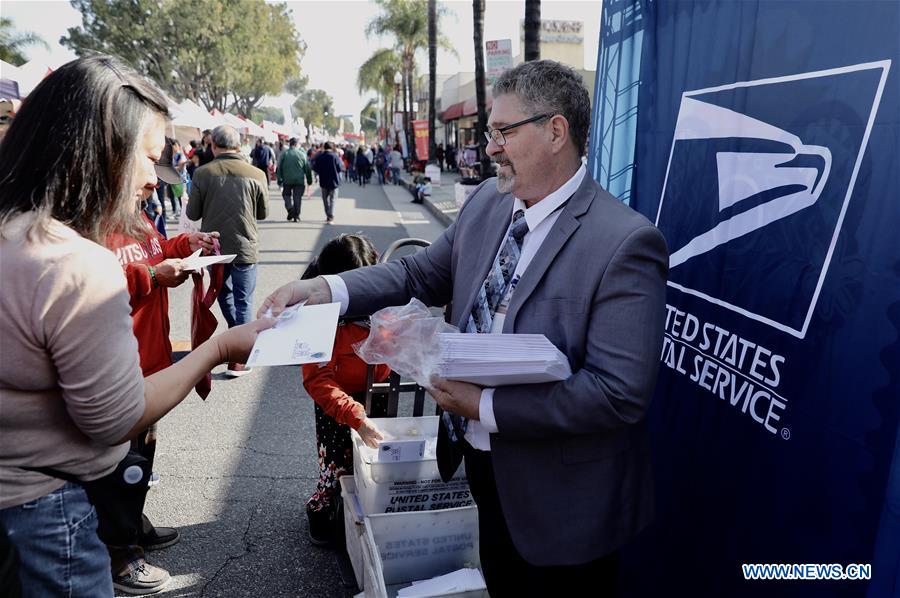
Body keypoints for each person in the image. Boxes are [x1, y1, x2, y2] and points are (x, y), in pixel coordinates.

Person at [260, 60, 668, 596]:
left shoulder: (625, 242)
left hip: (563, 504)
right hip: (483, 471)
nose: (490, 147)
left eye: (503, 131)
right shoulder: (488, 206)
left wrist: (483, 407)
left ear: (555, 132)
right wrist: (326, 290)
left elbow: (617, 394)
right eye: (489, 132)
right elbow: (418, 272)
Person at [0, 55, 273, 598]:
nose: (155, 177)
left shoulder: (17, 232)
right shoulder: (73, 262)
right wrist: (219, 347)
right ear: (99, 151)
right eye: (148, 157)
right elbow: (114, 419)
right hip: (45, 515)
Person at [104, 182, 220, 594]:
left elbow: (156, 254)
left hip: (151, 358)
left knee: (142, 454)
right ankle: (120, 554)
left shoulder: (136, 215)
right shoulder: (87, 221)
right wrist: (153, 275)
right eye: (146, 164)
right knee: (119, 462)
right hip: (116, 366)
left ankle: (131, 525)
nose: (154, 179)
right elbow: (91, 283)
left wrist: (186, 244)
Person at [299, 234, 390, 545]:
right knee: (336, 468)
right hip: (335, 404)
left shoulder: (382, 302)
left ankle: (370, 513)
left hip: (377, 395)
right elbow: (317, 380)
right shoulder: (315, 313)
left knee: (376, 464)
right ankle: (325, 511)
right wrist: (355, 416)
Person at [187, 124, 269, 378]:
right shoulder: (256, 174)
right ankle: (241, 355)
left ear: (213, 145)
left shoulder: (202, 173)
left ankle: (238, 347)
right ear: (238, 145)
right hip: (246, 246)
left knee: (224, 294)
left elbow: (193, 213)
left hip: (216, 247)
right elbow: (262, 213)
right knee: (244, 300)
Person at [277, 137, 313, 222]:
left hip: (287, 180)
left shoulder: (284, 154)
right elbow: (307, 168)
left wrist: (279, 180)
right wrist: (309, 180)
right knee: (297, 198)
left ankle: (290, 209)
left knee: (286, 195)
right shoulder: (302, 154)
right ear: (297, 144)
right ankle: (296, 215)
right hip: (299, 180)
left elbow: (279, 168)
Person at [312, 141, 342, 225]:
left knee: (325, 200)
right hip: (334, 182)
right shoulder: (335, 156)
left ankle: (328, 215)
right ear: (332, 147)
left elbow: (315, 168)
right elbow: (340, 168)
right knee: (333, 200)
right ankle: (330, 216)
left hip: (323, 181)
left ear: (324, 147)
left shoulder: (320, 156)